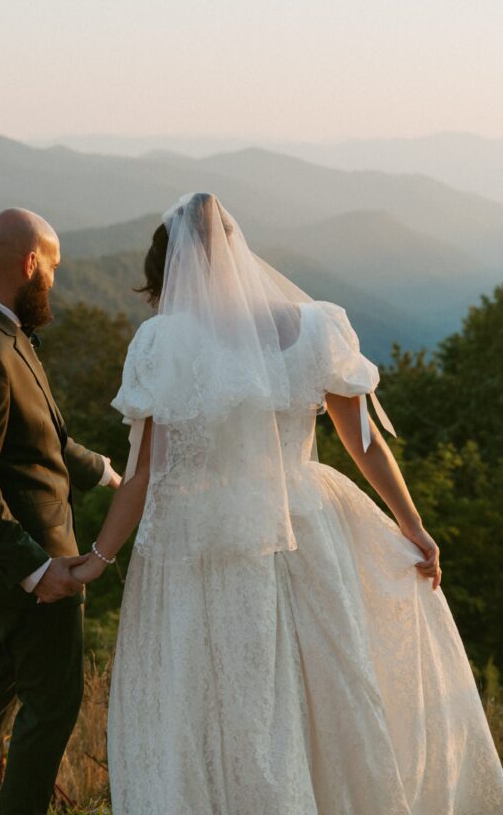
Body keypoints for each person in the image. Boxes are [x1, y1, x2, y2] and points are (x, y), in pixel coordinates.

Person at [75, 192, 503, 815]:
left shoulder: (163, 343)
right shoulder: (316, 326)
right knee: (326, 688)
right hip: (313, 522)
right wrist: (413, 527)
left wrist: (95, 559)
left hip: (209, 535)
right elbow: (366, 446)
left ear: (169, 272)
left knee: (229, 700)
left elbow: (143, 475)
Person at [0, 207, 120, 815]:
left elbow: (46, 439)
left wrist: (111, 474)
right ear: (31, 263)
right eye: (54, 270)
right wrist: (40, 570)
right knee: (54, 702)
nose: (55, 285)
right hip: (25, 565)